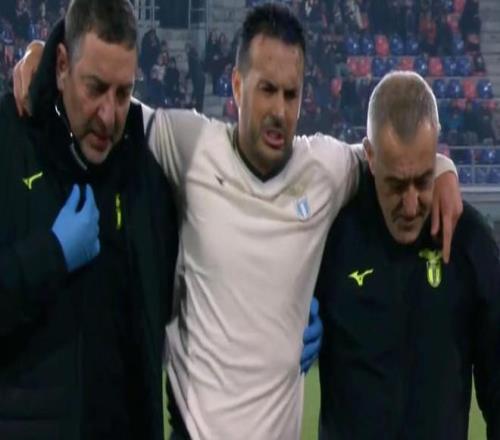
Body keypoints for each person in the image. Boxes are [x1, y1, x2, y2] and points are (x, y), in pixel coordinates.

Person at [14, 4, 462, 440]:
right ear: (236, 85)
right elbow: (102, 96)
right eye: (267, 89)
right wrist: (41, 53)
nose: (279, 110)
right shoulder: (189, 145)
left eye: (291, 94)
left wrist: (444, 170)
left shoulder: (325, 169)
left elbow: (390, 160)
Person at [0, 0, 178, 438]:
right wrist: (51, 255)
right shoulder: (9, 139)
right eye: (95, 88)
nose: (108, 114)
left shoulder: (146, 167)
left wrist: (282, 308)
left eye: (123, 93)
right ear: (62, 66)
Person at [315, 71, 500, 440]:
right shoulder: (332, 236)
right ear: (369, 156)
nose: (412, 205)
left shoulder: (469, 241)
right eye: (396, 185)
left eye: (423, 180)